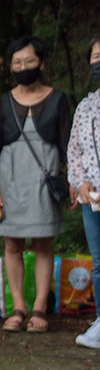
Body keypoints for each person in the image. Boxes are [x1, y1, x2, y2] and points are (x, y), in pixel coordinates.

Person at [0, 35, 72, 334]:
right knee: (12, 243)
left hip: (43, 181)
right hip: (9, 181)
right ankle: (18, 306)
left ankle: (40, 307)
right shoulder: (2, 101)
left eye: (29, 61)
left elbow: (68, 146)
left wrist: (72, 181)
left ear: (42, 63)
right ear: (11, 67)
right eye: (17, 63)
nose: (23, 67)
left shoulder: (58, 99)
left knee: (44, 242)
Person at [67, 35, 100, 348]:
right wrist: (80, 183)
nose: (98, 60)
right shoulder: (87, 106)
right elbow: (74, 150)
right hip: (93, 198)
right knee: (98, 261)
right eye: (95, 56)